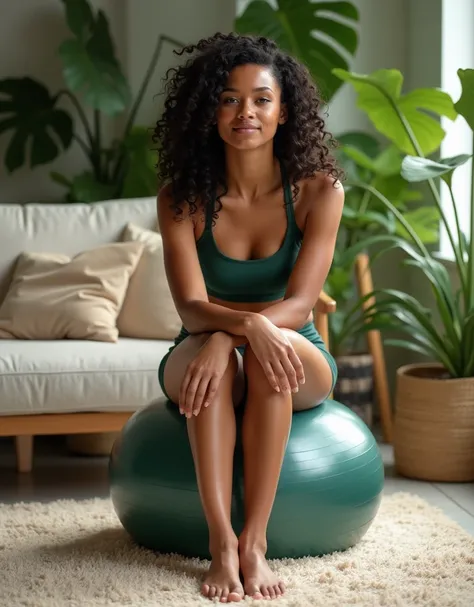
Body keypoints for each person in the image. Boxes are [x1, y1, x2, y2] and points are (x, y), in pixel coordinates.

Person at [153, 32, 344, 603]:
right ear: (209, 109)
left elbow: (300, 304)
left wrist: (249, 332)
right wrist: (225, 335)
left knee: (262, 361)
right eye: (229, 99)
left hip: (293, 346)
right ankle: (221, 545)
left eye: (261, 99)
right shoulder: (180, 197)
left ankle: (254, 543)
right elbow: (189, 306)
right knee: (222, 366)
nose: (246, 113)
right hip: (200, 341)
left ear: (284, 111)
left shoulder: (319, 191)